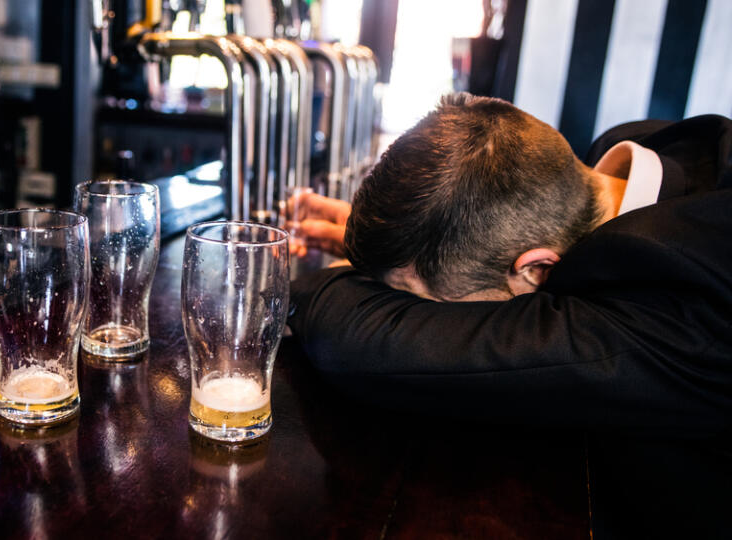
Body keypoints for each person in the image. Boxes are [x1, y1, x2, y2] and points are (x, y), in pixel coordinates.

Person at [286, 93, 732, 537]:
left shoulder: (688, 301)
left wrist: (272, 273)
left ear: (537, 270)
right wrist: (405, 249)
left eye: (419, 304)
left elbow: (366, 343)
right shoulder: (651, 159)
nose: (416, 313)